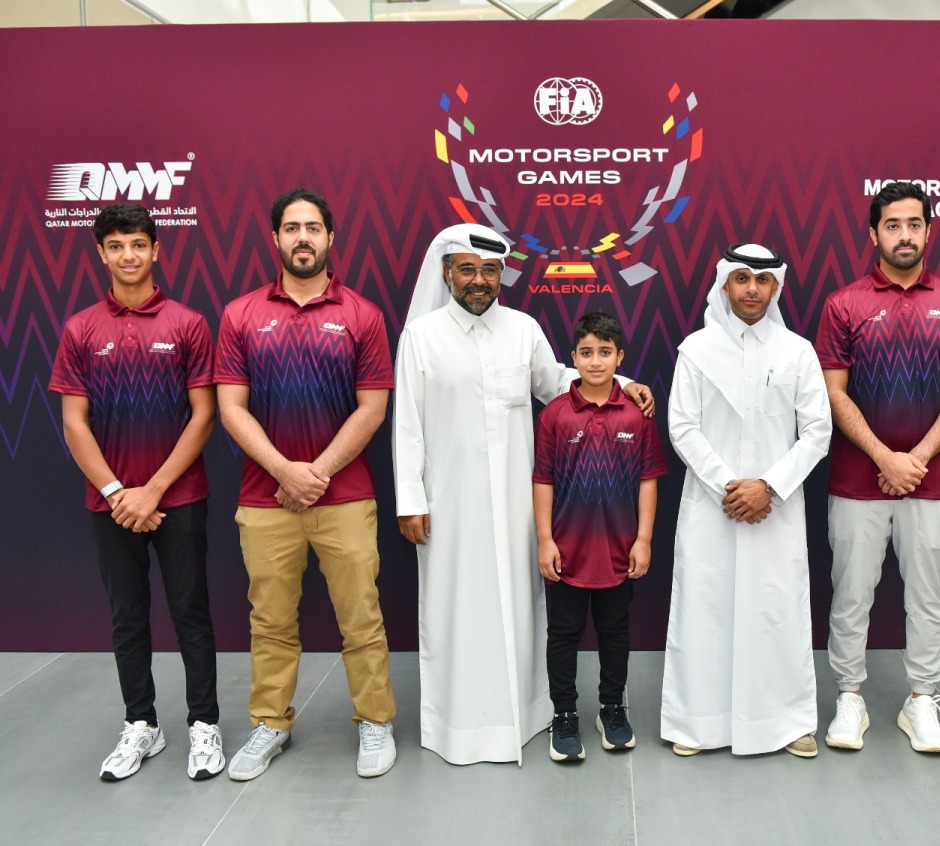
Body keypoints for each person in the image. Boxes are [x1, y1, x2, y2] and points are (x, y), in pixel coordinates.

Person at [392, 223, 653, 766]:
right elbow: (407, 425)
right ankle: (458, 724)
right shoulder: (421, 336)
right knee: (454, 609)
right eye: (468, 269)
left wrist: (622, 384)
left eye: (490, 270)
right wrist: (410, 498)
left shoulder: (523, 328)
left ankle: (535, 714)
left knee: (523, 610)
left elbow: (562, 382)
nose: (479, 280)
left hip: (519, 502)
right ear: (447, 273)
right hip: (450, 505)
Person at [215, 188, 396, 780]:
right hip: (265, 497)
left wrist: (313, 474)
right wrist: (284, 472)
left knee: (361, 617)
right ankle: (271, 723)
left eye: (312, 228)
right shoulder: (241, 314)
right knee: (269, 621)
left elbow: (371, 408)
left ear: (330, 238)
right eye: (291, 228)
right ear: (275, 239)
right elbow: (232, 408)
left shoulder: (362, 315)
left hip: (344, 497)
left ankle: (374, 721)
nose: (302, 238)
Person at [50, 202, 223, 781]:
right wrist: (118, 489)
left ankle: (204, 725)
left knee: (190, 613)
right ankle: (141, 725)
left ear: (155, 250)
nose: (129, 256)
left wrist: (153, 490)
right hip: (112, 503)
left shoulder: (189, 323)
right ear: (101, 253)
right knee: (127, 617)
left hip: (178, 497)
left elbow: (203, 417)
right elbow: (75, 423)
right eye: (117, 246)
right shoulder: (79, 328)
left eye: (139, 245)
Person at [815, 181, 940, 754]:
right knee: (851, 595)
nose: (905, 235)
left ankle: (923, 701)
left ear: (929, 230)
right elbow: (833, 392)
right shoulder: (844, 304)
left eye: (914, 224)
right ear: (874, 233)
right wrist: (884, 456)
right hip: (857, 482)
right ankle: (850, 698)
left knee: (928, 597)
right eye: (893, 225)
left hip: (932, 483)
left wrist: (914, 459)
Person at [661, 243, 831, 758]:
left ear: (775, 287)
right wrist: (730, 487)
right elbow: (682, 427)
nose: (752, 288)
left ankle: (787, 723)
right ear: (725, 285)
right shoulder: (696, 349)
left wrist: (769, 488)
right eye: (741, 279)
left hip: (775, 512)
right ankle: (697, 723)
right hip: (713, 508)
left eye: (762, 280)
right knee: (706, 609)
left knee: (776, 610)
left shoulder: (797, 351)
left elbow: (817, 432)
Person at [533, 312, 668, 762]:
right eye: (586, 353)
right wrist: (545, 541)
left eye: (605, 353)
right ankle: (565, 714)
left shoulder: (637, 413)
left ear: (619, 357)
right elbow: (543, 481)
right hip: (568, 553)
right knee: (563, 634)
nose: (596, 362)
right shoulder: (554, 415)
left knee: (615, 632)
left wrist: (644, 538)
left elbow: (649, 479)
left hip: (619, 552)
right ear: (573, 359)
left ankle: (612, 707)